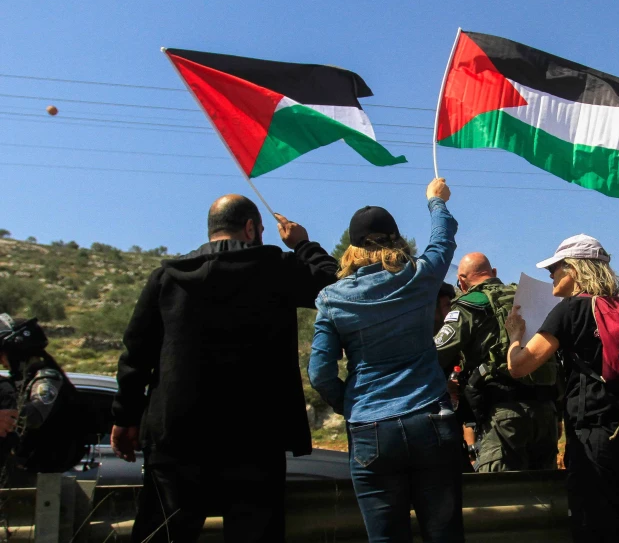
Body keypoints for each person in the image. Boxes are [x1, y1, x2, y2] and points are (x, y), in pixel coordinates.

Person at [110, 195, 339, 543]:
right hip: (255, 437)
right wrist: (303, 244)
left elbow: (136, 354)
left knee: (164, 534)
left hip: (177, 436)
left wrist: (125, 418)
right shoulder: (276, 268)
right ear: (250, 228)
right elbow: (334, 285)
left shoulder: (167, 277)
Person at [309, 178, 464, 543]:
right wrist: (436, 201)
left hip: (370, 426)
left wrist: (351, 402)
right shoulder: (419, 276)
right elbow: (442, 241)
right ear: (396, 241)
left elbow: (319, 373)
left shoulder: (332, 298)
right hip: (431, 417)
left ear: (351, 249)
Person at [505, 235, 619, 543]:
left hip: (591, 435)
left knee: (593, 526)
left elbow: (520, 366)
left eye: (556, 268)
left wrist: (514, 335)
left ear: (574, 270)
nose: (551, 274)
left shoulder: (570, 310)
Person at [436, 252, 559, 472]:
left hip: (504, 415)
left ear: (462, 282)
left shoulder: (469, 304)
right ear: (493, 273)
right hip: (546, 414)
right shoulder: (525, 296)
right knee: (544, 494)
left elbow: (437, 353)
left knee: (499, 495)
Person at [0, 315, 86, 473]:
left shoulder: (47, 378)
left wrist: (7, 415)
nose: (1, 361)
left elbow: (34, 416)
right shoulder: (23, 379)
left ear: (15, 350)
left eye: (2, 353)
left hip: (47, 469)